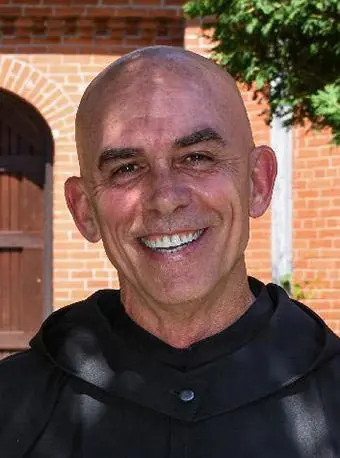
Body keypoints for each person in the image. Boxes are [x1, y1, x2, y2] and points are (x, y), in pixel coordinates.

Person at [1, 46, 340, 458]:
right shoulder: (12, 408)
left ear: (258, 182)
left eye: (197, 158)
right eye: (126, 168)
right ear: (84, 209)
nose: (165, 198)